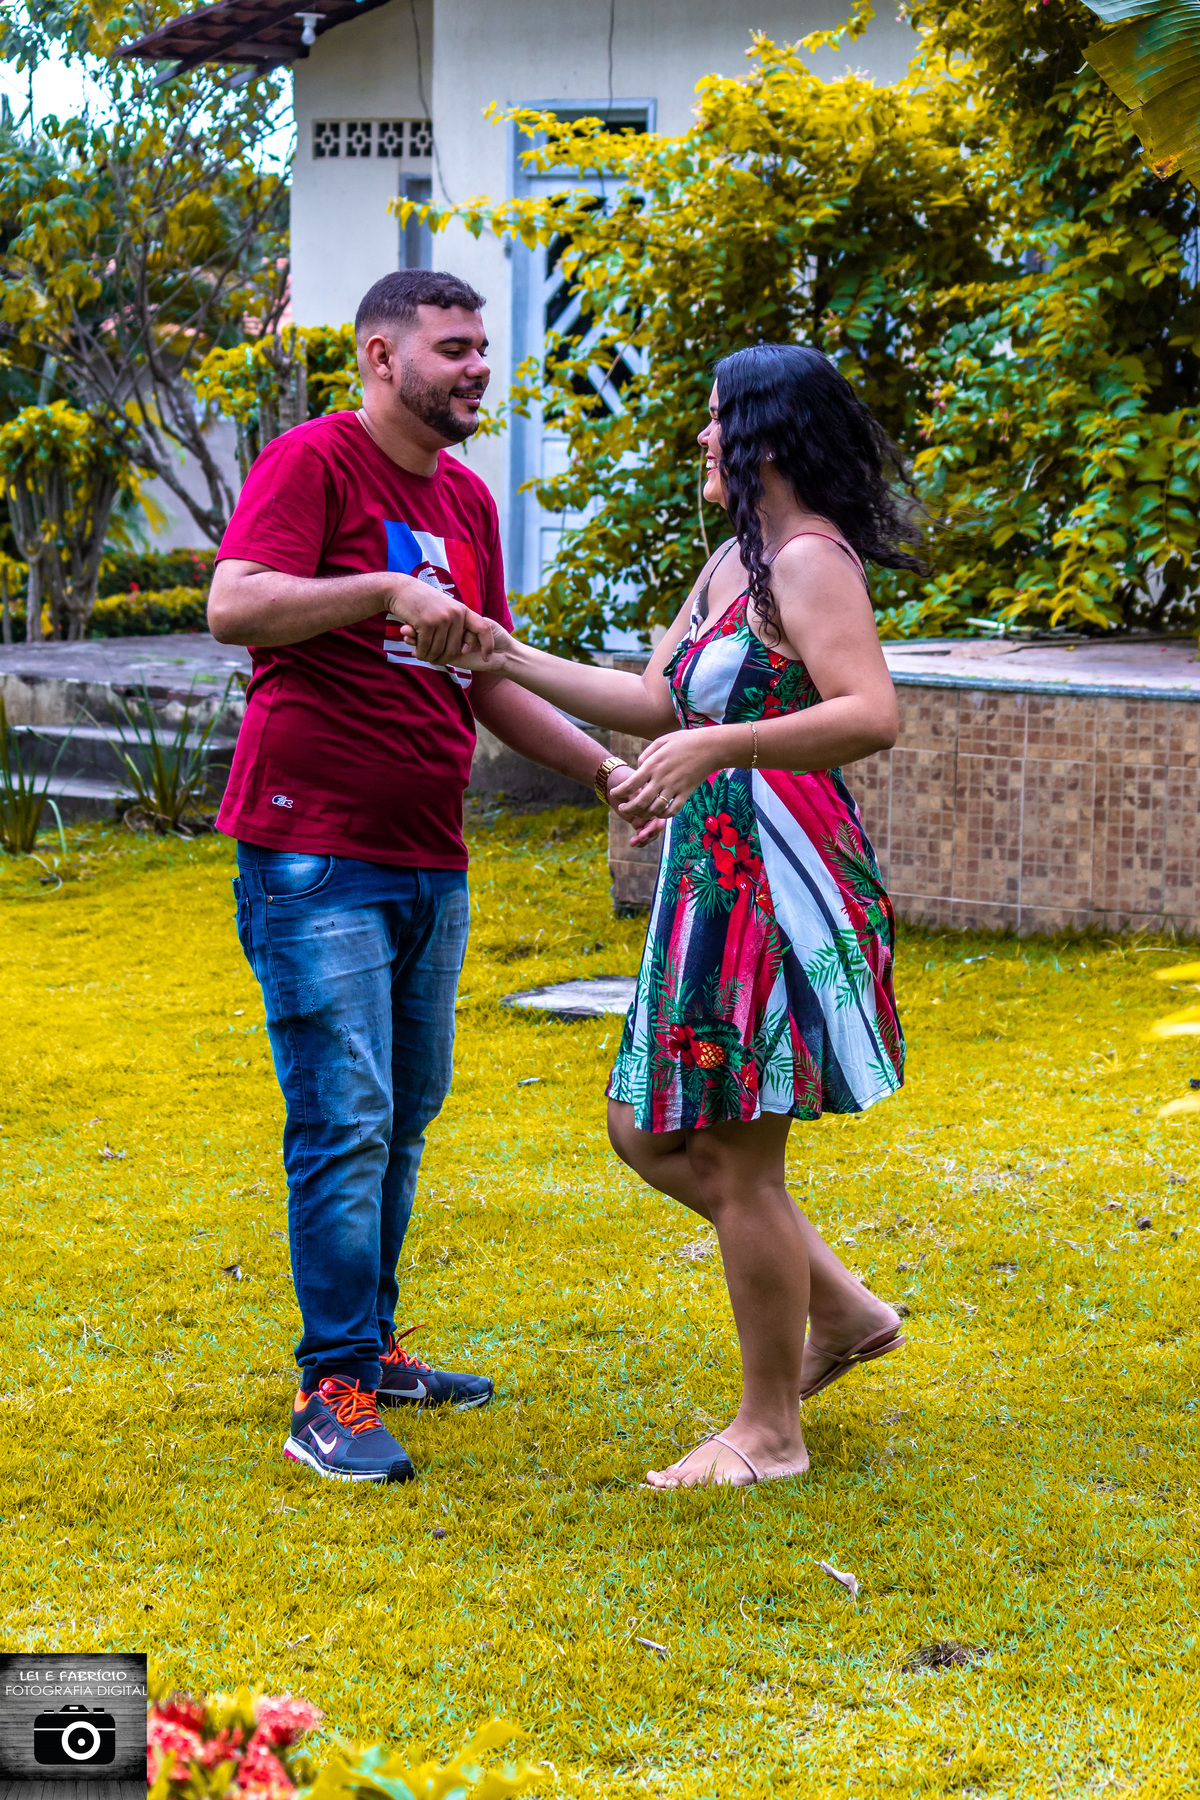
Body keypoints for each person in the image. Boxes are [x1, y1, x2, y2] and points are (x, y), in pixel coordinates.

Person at [408, 343, 921, 1487]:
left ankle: (769, 1434)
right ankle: (844, 1312)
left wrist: (718, 746)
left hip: (781, 880)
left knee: (737, 1157)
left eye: (716, 416)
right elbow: (651, 700)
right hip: (716, 875)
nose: (702, 436)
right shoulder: (734, 561)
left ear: (769, 434)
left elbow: (870, 713)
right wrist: (506, 653)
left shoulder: (809, 560)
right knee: (644, 1129)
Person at [207, 269, 641, 1486]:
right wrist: (386, 590)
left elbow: (486, 675)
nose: (477, 368)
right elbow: (235, 603)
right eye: (453, 347)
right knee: (343, 1118)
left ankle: (375, 1350)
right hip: (311, 850)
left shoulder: (466, 501)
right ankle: (330, 1390)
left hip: (427, 857)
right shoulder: (314, 462)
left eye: (480, 347)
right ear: (380, 357)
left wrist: (603, 770)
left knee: (400, 1116)